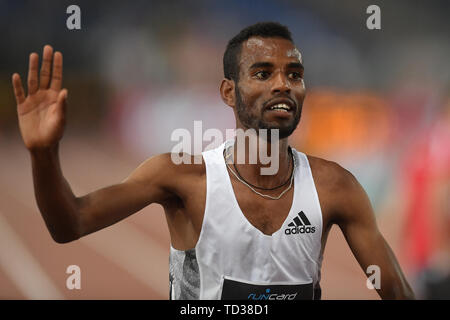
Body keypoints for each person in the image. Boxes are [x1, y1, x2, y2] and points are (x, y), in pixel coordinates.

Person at [11, 21, 414, 300]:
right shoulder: (182, 177)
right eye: (262, 73)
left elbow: (396, 292)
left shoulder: (335, 187)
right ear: (227, 91)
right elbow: (70, 224)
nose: (282, 84)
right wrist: (43, 154)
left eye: (294, 74)